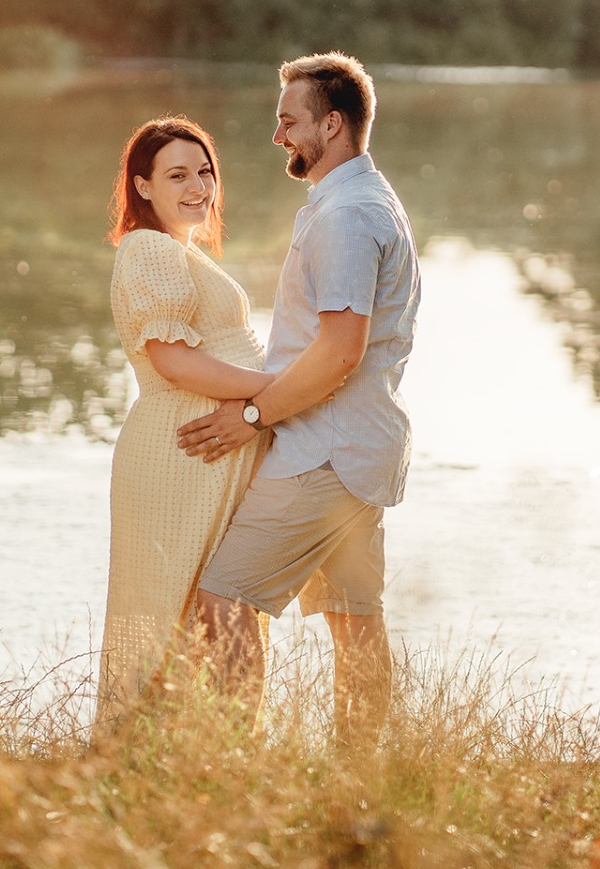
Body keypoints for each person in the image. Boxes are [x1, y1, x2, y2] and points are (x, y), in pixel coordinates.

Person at [176, 52, 421, 745]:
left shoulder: (346, 215)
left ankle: (234, 764)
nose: (277, 135)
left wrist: (253, 415)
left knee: (222, 599)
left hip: (324, 453)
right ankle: (358, 773)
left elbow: (340, 351)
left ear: (331, 124)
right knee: (354, 619)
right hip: (361, 449)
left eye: (289, 121)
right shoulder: (368, 198)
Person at [97, 116, 275, 721]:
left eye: (204, 172)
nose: (198, 186)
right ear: (142, 186)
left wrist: (263, 407)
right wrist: (277, 393)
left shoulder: (178, 252)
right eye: (177, 175)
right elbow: (172, 361)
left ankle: (208, 753)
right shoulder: (148, 248)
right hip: (182, 453)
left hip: (204, 451)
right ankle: (184, 751)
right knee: (182, 610)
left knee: (212, 610)